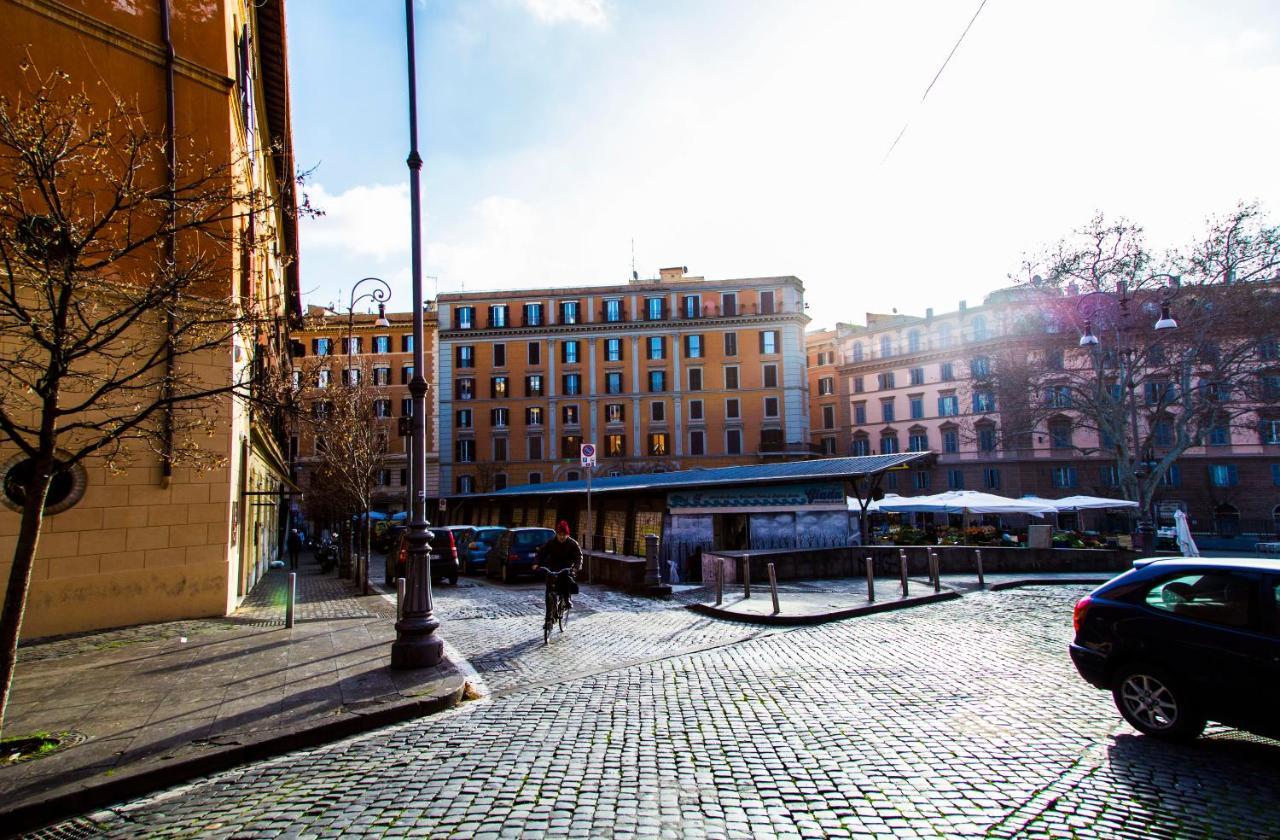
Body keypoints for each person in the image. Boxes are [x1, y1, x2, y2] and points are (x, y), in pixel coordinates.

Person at [534, 521, 581, 607]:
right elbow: (541, 552)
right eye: (560, 534)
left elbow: (578, 557)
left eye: (564, 535)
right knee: (549, 589)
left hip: (566, 567)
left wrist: (576, 568)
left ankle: (567, 599)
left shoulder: (572, 544)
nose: (562, 537)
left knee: (566, 580)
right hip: (553, 567)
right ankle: (548, 617)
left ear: (567, 534)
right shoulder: (551, 543)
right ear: (557, 534)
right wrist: (536, 563)